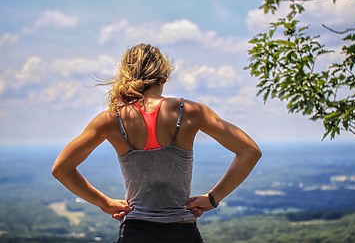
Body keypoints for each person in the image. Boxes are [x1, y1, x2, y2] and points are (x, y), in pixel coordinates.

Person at [52, 43, 262, 243]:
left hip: (135, 231)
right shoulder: (189, 112)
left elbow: (62, 168)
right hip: (182, 231)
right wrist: (213, 198)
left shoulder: (111, 119)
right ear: (163, 78)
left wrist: (104, 203)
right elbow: (249, 151)